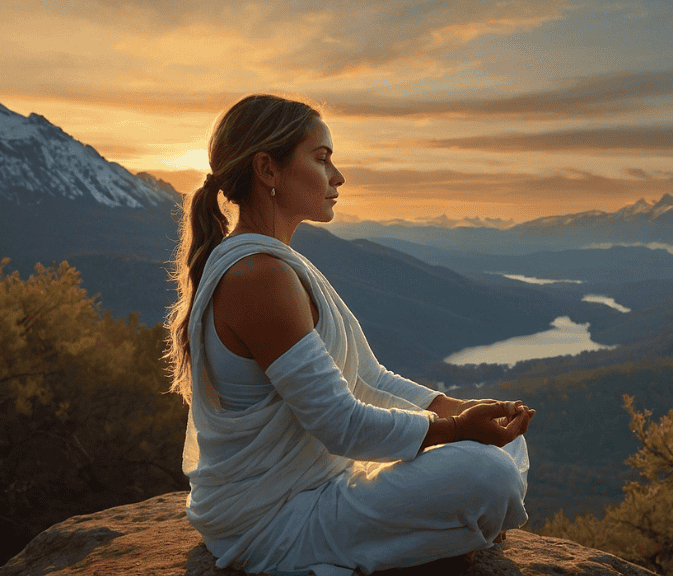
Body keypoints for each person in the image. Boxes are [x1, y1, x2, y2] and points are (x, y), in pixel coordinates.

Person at [165, 94, 535, 576]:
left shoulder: (274, 264)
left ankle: (449, 527)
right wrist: (457, 431)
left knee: (506, 444)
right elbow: (341, 424)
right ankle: (451, 530)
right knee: (488, 475)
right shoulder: (258, 276)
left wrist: (456, 409)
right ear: (268, 170)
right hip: (273, 519)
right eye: (321, 159)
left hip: (316, 487)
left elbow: (369, 379)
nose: (338, 177)